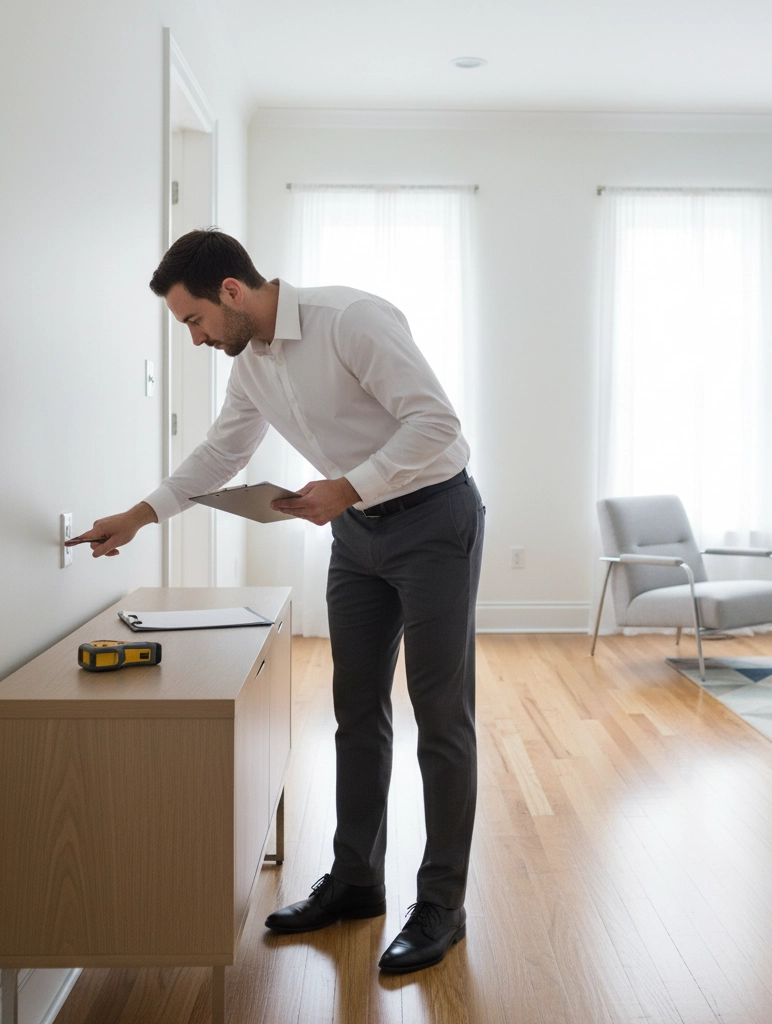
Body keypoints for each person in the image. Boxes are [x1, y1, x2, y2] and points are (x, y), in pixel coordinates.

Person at [74, 228, 484, 974]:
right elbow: (224, 451)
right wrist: (140, 515)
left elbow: (439, 425)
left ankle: (442, 906)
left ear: (231, 291)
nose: (195, 338)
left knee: (441, 716)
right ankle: (357, 882)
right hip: (355, 535)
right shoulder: (251, 365)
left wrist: (347, 486)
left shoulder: (350, 320)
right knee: (356, 711)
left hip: (433, 521)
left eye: (194, 320)